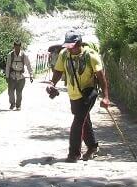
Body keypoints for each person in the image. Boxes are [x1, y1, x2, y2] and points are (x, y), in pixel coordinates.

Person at [47, 31, 110, 162]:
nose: (69, 48)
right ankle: (92, 146)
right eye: (68, 46)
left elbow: (101, 77)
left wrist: (105, 97)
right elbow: (58, 71)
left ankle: (74, 154)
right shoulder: (64, 54)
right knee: (84, 119)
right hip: (74, 93)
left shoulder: (91, 56)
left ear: (79, 43)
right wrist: (52, 83)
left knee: (78, 120)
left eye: (72, 46)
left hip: (89, 91)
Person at [4, 40, 34, 110]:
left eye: (18, 46)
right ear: (14, 46)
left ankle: (18, 105)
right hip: (12, 76)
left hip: (21, 77)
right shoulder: (10, 55)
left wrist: (31, 75)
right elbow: (8, 66)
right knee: (10, 92)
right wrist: (7, 76)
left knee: (19, 92)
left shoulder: (24, 55)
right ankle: (12, 104)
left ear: (20, 47)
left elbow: (28, 65)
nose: (17, 48)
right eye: (16, 46)